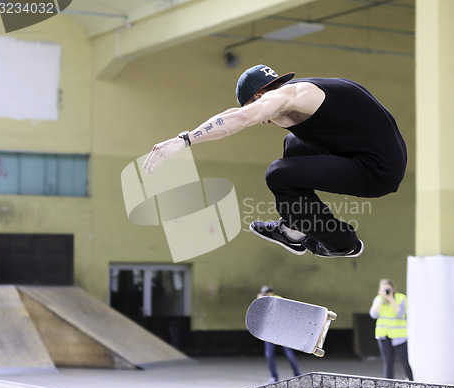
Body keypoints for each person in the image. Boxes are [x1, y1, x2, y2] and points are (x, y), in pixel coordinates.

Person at [143, 64, 407, 257]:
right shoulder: (303, 91)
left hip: (378, 170)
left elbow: (241, 118)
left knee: (278, 174)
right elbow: (235, 112)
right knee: (294, 143)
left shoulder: (286, 97)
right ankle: (292, 231)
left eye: (260, 112)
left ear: (260, 97)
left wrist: (184, 140)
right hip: (373, 154)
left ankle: (342, 243)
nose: (266, 121)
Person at [369, 279, 413, 380]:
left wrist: (391, 299)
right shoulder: (378, 299)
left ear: (393, 289)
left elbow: (401, 314)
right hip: (384, 335)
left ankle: (412, 384)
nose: (386, 292)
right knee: (388, 363)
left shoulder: (401, 298)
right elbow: (373, 314)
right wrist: (381, 299)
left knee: (404, 362)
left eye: (388, 289)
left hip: (399, 336)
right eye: (383, 289)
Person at [257, 286, 301, 384]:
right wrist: (259, 301)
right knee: (269, 355)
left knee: (289, 354)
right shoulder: (262, 301)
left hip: (282, 331)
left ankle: (297, 375)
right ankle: (274, 377)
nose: (267, 295)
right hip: (269, 332)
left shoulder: (278, 298)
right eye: (265, 293)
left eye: (269, 293)